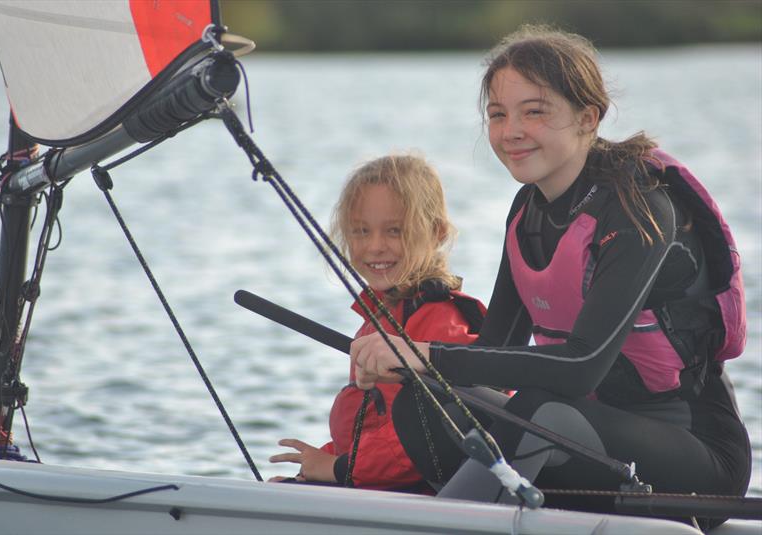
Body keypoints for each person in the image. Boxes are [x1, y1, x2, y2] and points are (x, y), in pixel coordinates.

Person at [350, 26, 750, 527]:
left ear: (587, 118)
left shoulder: (639, 209)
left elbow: (582, 366)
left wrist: (427, 354)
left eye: (534, 111)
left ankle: (446, 520)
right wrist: (409, 363)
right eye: (498, 115)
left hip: (697, 457)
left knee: (543, 409)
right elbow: (492, 351)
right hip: (583, 443)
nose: (511, 131)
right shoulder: (527, 211)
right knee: (425, 401)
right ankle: (473, 509)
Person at [269, 154, 487, 491]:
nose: (374, 246)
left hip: (425, 494)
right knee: (280, 488)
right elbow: (371, 430)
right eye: (360, 231)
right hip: (377, 482)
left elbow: (422, 438)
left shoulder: (444, 322)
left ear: (436, 232)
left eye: (394, 231)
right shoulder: (377, 320)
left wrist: (339, 468)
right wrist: (317, 462)